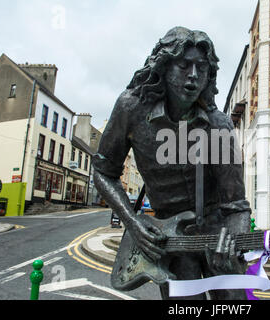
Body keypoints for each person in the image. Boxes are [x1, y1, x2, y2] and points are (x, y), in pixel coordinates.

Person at [92, 27, 251, 300]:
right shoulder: (131, 109)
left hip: (215, 232)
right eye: (183, 65)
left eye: (201, 68)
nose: (193, 75)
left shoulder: (219, 125)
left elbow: (236, 205)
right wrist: (132, 222)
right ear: (164, 67)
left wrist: (235, 238)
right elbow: (103, 171)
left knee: (233, 302)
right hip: (169, 237)